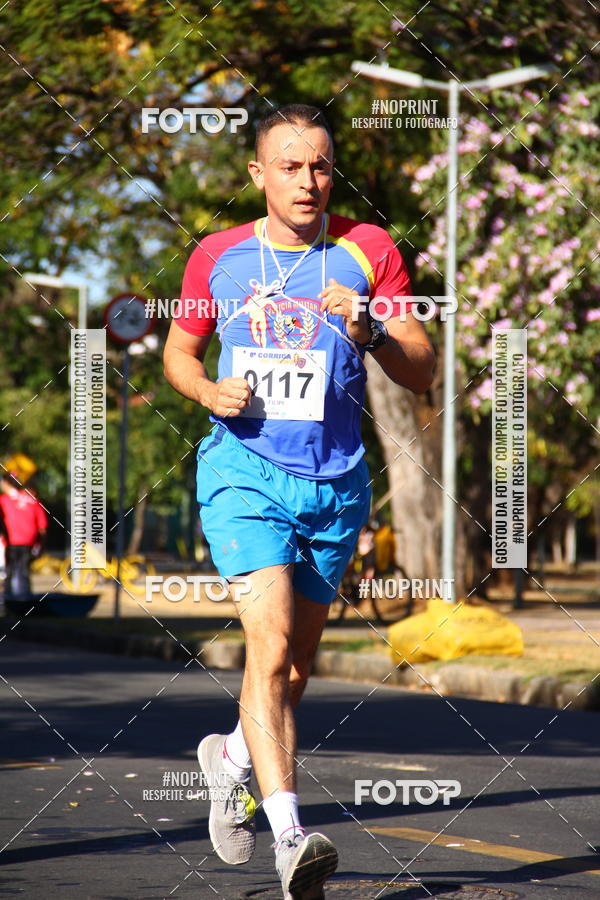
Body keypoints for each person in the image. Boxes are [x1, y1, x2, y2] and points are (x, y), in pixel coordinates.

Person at [163, 103, 435, 898]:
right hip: (244, 474)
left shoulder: (369, 249)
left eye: (319, 165)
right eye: (289, 166)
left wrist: (372, 331)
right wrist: (208, 391)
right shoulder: (217, 256)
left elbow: (422, 369)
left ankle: (229, 758)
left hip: (336, 485)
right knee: (272, 645)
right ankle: (290, 837)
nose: (307, 180)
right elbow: (180, 352)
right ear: (259, 174)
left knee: (295, 668)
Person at [0, 472, 48, 601]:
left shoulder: (3, 500)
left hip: (11, 542)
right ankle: (26, 599)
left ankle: (9, 600)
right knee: (25, 572)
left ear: (6, 483)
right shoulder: (32, 499)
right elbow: (42, 527)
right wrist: (41, 546)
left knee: (10, 571)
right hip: (29, 543)